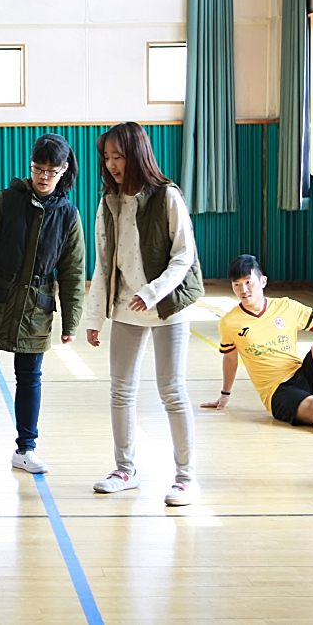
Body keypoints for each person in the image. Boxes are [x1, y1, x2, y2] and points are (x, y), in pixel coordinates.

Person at [85, 122, 205, 507]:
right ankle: (125, 469)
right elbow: (104, 263)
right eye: (107, 157)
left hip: (166, 306)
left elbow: (183, 256)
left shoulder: (168, 196)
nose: (112, 164)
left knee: (171, 390)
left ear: (136, 154)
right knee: (121, 390)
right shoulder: (109, 201)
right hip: (124, 308)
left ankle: (186, 478)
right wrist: (93, 318)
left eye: (118, 156)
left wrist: (152, 293)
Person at [0, 134, 86, 477]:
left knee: (30, 379)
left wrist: (71, 323)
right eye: (37, 168)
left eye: (51, 171)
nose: (43, 176)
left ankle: (26, 449)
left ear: (64, 170)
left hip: (35, 312)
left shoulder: (69, 216)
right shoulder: (7, 200)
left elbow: (72, 273)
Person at [202, 255, 313, 443]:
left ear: (263, 281)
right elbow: (231, 359)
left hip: (303, 375)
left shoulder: (285, 306)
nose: (244, 290)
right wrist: (225, 394)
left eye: (249, 282)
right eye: (237, 285)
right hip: (279, 392)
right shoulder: (229, 322)